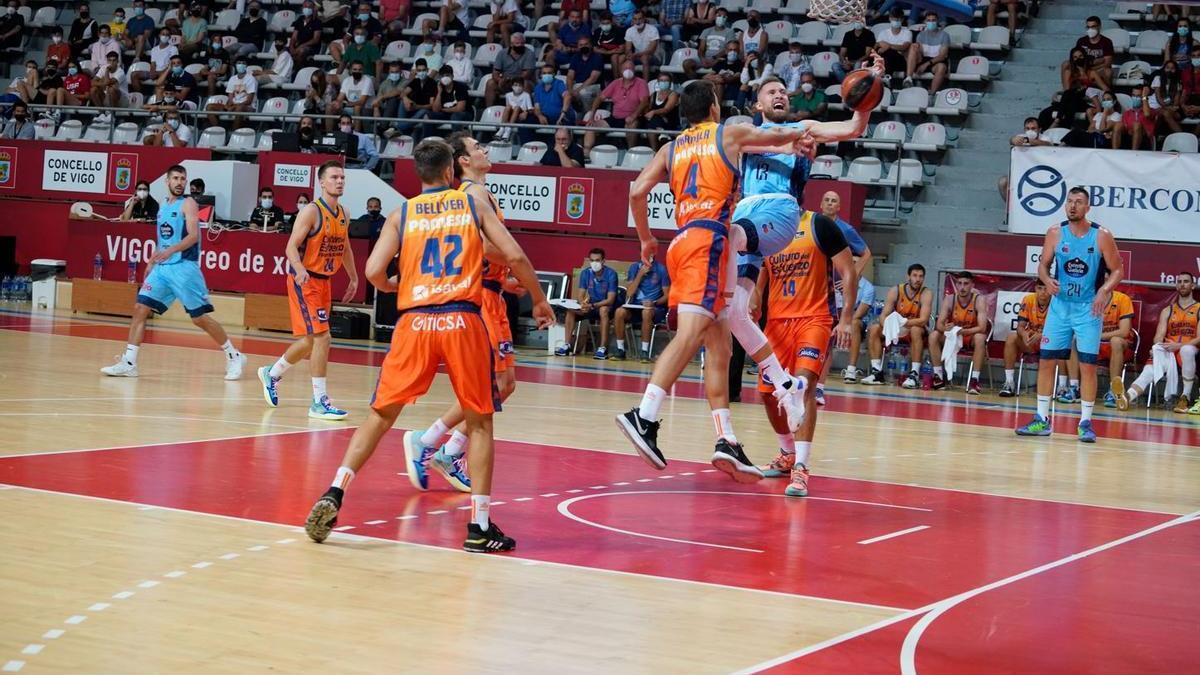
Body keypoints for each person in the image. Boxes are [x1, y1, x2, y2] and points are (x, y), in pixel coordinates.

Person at [302, 139, 555, 553]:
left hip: (414, 323)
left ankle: (335, 490)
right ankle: (478, 525)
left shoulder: (403, 212)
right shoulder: (471, 205)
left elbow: (372, 271)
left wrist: (398, 285)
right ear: (450, 173)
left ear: (419, 174)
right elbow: (515, 255)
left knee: (380, 417)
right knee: (479, 422)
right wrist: (539, 299)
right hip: (461, 318)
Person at [614, 79, 828, 481]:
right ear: (714, 108)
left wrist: (645, 238)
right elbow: (793, 133)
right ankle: (644, 415)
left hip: (680, 241)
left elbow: (637, 191)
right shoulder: (726, 133)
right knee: (692, 334)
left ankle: (726, 437)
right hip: (711, 239)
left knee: (721, 344)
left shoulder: (670, 147)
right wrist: (837, 125)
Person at [401, 133, 534, 493]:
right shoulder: (471, 195)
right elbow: (484, 245)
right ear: (461, 161)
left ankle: (441, 447)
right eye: (477, 147)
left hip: (492, 294)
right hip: (480, 303)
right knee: (492, 387)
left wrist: (504, 279)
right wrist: (512, 261)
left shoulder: (480, 194)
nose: (485, 150)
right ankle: (431, 443)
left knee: (502, 385)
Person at [101, 165, 246, 379]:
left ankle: (234, 356)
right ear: (166, 181)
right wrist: (152, 260)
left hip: (184, 268)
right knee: (140, 308)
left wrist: (169, 251)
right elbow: (163, 240)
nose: (180, 182)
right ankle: (129, 362)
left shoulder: (189, 203)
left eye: (183, 179)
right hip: (163, 268)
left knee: (199, 318)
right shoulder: (162, 206)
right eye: (176, 178)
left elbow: (193, 236)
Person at [753, 206, 856, 497]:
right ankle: (786, 452)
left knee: (802, 389)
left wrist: (846, 318)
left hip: (814, 319)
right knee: (765, 392)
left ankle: (801, 466)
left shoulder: (819, 225)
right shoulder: (767, 228)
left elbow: (848, 270)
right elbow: (761, 269)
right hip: (776, 323)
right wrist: (756, 295)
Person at [1016, 187, 1124, 443]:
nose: (1073, 206)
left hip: (1088, 308)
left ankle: (1086, 422)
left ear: (1087, 208)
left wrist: (1104, 291)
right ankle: (1042, 419)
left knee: (1087, 365)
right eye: (1069, 201)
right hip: (1060, 307)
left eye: (1078, 202)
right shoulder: (1055, 232)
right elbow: (1042, 265)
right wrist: (1046, 279)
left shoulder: (1101, 236)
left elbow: (1118, 270)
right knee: (1046, 361)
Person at [258, 162, 359, 421]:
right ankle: (319, 401)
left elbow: (345, 247)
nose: (340, 181)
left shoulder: (344, 212)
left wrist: (354, 277)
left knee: (309, 341)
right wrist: (299, 268)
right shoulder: (312, 212)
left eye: (342, 177)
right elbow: (290, 247)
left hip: (325, 281)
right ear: (322, 183)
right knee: (323, 338)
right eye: (334, 177)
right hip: (306, 281)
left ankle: (272, 373)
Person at [813, 190, 872, 396]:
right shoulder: (814, 224)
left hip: (834, 292)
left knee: (827, 338)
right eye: (827, 199)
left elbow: (866, 253)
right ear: (821, 204)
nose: (830, 203)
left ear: (839, 207)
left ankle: (819, 387)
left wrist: (852, 275)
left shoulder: (846, 229)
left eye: (834, 201)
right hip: (813, 287)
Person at [1125, 273, 1198, 412]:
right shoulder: (1168, 310)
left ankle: (1185, 397)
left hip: (1189, 349)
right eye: (1180, 282)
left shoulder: (1199, 308)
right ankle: (1128, 396)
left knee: (1186, 350)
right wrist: (1157, 346)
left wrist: (1178, 346)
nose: (1182, 284)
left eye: (1186, 281)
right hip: (1170, 349)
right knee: (1150, 369)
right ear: (1176, 286)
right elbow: (1159, 336)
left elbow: (1199, 338)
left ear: (1192, 286)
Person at [859, 263, 934, 387]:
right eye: (915, 275)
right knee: (874, 329)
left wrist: (903, 323)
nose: (917, 279)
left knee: (915, 329)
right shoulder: (896, 290)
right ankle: (877, 372)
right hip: (896, 329)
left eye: (921, 276)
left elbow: (923, 320)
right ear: (908, 277)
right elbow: (883, 315)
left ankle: (914, 374)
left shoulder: (926, 293)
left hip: (915, 329)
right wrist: (889, 326)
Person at [927, 271, 989, 394]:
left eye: (966, 284)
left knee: (980, 338)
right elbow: (939, 324)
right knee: (933, 335)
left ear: (972, 285)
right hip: (953, 336)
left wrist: (963, 331)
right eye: (959, 283)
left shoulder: (979, 300)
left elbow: (982, 327)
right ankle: (938, 376)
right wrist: (946, 328)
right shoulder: (950, 299)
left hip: (969, 336)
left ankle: (975, 380)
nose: (962, 287)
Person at [556, 248, 620, 358]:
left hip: (606, 307)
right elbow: (581, 295)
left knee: (603, 310)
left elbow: (610, 300)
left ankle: (602, 348)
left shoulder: (611, 274)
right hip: (590, 306)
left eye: (597, 260)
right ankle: (566, 345)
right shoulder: (586, 273)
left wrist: (592, 305)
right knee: (571, 311)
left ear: (603, 261)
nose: (594, 263)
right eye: (592, 260)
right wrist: (583, 304)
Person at [999, 279, 1050, 397]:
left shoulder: (1056, 302)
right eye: (1040, 288)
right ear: (1035, 289)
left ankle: (1062, 387)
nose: (1043, 292)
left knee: (1065, 342)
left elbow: (1060, 330)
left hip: (1049, 342)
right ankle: (1009, 382)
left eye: (1046, 288)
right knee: (1012, 337)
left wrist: (1043, 335)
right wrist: (1023, 334)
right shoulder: (1028, 300)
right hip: (1031, 341)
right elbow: (1020, 327)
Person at [613, 255, 669, 361]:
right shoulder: (634, 267)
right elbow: (629, 293)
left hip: (654, 308)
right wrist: (640, 274)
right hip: (635, 306)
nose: (648, 255)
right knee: (619, 312)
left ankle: (644, 351)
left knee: (646, 312)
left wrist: (654, 302)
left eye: (650, 253)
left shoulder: (661, 269)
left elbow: (667, 295)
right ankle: (620, 350)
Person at [906, 11, 950, 93]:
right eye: (929, 20)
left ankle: (931, 94)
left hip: (936, 61)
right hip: (923, 58)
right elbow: (919, 53)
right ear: (925, 22)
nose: (931, 22)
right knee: (913, 46)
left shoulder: (944, 35)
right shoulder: (920, 35)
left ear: (937, 21)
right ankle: (908, 78)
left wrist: (926, 64)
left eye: (933, 20)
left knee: (942, 67)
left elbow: (942, 56)